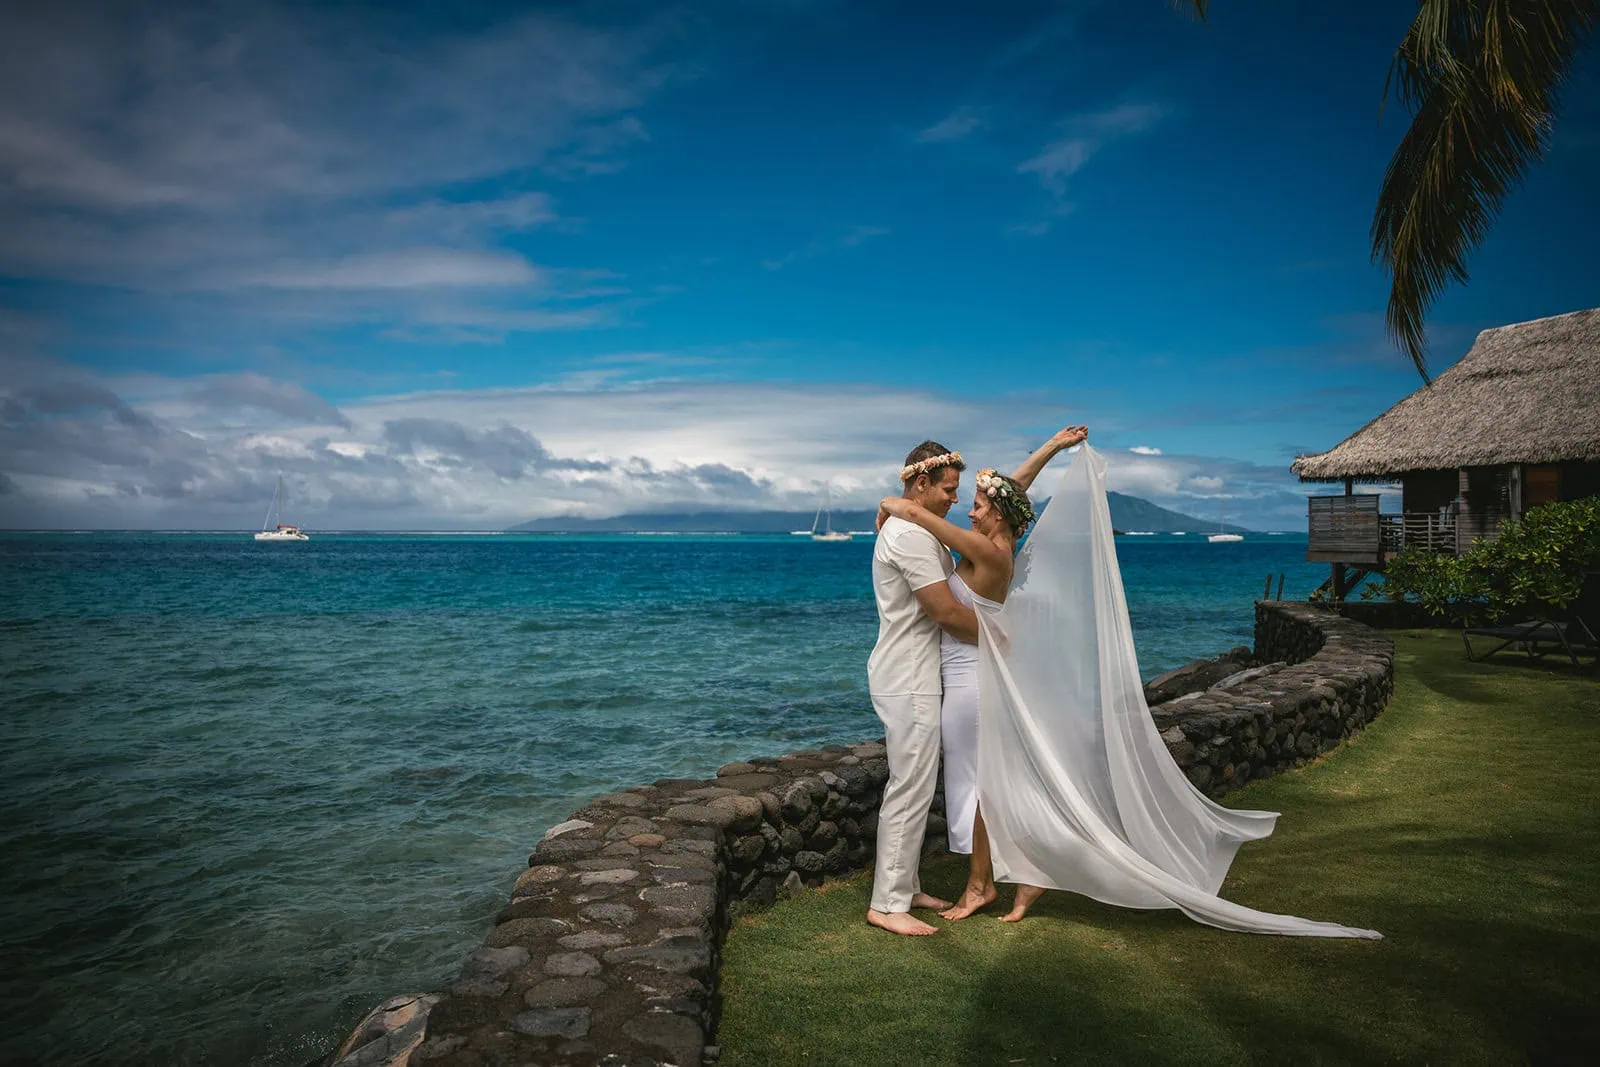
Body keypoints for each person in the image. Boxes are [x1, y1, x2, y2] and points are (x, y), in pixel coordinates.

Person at [879, 437, 1381, 938]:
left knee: (985, 784)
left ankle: (991, 881)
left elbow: (950, 553)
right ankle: (1016, 873)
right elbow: (1009, 495)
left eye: (977, 503)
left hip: (972, 676)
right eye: (959, 496)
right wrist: (1051, 448)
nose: (966, 508)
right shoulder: (998, 539)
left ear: (998, 518)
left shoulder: (990, 552)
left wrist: (899, 507)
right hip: (972, 672)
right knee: (995, 781)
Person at [865, 440, 976, 936]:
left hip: (918, 674)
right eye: (949, 490)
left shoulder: (917, 529)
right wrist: (1007, 641)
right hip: (907, 676)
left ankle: (906, 887)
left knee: (915, 783)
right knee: (908, 788)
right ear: (921, 483)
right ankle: (886, 905)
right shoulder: (908, 537)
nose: (955, 498)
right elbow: (947, 614)